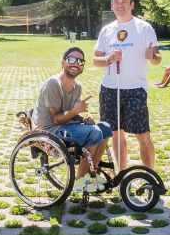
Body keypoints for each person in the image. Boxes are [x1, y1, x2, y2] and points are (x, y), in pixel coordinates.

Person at [94, 0, 161, 171]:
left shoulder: (144, 28)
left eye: (124, 1)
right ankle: (122, 174)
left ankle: (150, 177)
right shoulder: (106, 30)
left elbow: (157, 59)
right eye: (116, 2)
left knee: (143, 135)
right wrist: (109, 58)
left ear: (132, 4)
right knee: (116, 135)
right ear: (111, 5)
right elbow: (95, 60)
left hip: (135, 89)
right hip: (110, 89)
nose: (120, 5)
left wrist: (152, 56)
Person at [30, 47, 112, 192]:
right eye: (72, 59)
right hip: (49, 129)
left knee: (104, 128)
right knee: (93, 132)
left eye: (80, 61)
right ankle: (80, 181)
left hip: (65, 124)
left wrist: (83, 119)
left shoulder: (77, 87)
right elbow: (56, 119)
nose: (76, 63)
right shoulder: (53, 84)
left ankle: (91, 175)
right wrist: (75, 111)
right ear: (63, 62)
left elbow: (69, 114)